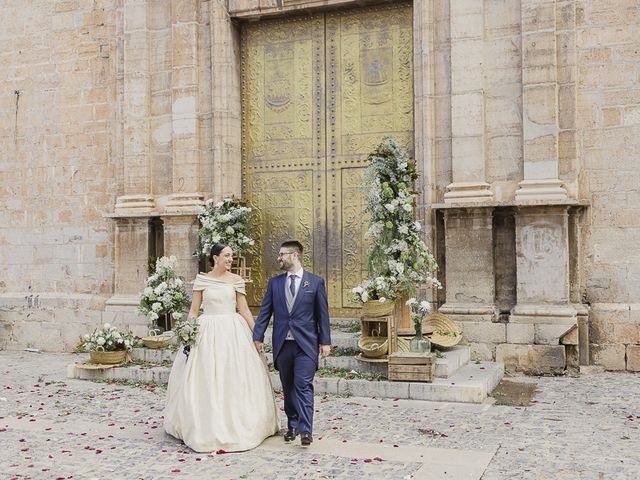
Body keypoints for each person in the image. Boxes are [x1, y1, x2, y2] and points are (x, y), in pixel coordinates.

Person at [164, 243, 279, 452]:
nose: (230, 259)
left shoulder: (236, 280)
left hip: (233, 331)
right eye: (226, 256)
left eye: (232, 256)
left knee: (233, 374)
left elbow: (244, 310)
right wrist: (187, 331)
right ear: (215, 257)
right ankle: (204, 423)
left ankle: (239, 422)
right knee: (206, 375)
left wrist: (257, 335)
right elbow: (194, 310)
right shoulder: (202, 280)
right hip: (206, 330)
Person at [253, 240, 331, 447]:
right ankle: (293, 424)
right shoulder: (275, 283)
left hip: (306, 344)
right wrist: (257, 336)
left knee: (303, 385)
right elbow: (264, 313)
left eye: (282, 254)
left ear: (295, 255)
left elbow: (322, 314)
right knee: (288, 387)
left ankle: (306, 430)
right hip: (283, 345)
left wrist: (325, 341)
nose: (279, 258)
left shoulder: (314, 283)